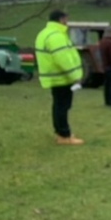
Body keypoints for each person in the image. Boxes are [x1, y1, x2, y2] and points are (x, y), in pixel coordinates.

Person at [34, 10, 85, 145]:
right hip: (61, 77)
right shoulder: (56, 36)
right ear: (61, 19)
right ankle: (64, 135)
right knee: (63, 107)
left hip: (54, 77)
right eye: (66, 18)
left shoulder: (45, 33)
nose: (67, 21)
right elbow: (63, 58)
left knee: (58, 106)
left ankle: (60, 132)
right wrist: (76, 76)